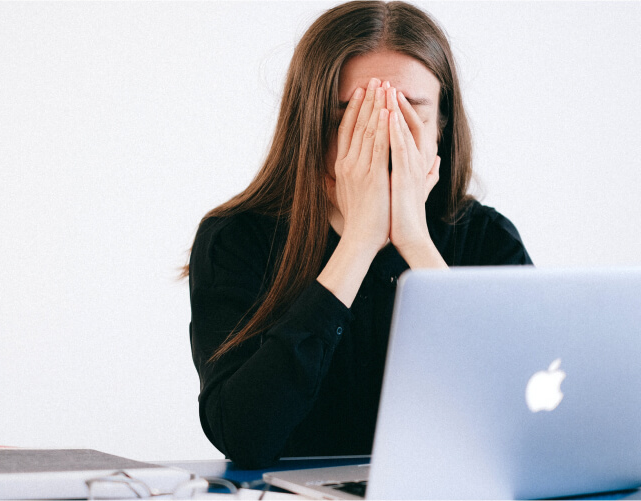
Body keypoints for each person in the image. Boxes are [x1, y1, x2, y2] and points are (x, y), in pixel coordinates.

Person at [184, 0, 532, 469]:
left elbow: (519, 421)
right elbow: (245, 436)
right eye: (352, 116)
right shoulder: (235, 240)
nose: (383, 138)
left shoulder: (487, 239)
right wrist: (359, 243)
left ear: (441, 128)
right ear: (310, 125)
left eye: (409, 115)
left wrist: (414, 241)